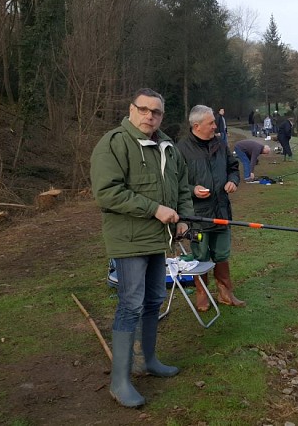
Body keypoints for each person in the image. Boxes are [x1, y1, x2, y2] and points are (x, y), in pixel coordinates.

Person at [90, 88, 193, 408]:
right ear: (131, 109)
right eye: (144, 109)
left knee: (154, 300)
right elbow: (107, 193)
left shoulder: (168, 147)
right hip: (128, 240)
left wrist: (182, 218)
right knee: (130, 304)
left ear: (163, 116)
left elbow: (182, 186)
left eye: (156, 112)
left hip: (159, 239)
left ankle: (147, 360)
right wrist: (154, 209)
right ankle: (119, 382)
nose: (150, 116)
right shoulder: (113, 143)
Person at [177, 105, 246, 311]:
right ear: (197, 126)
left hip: (222, 211)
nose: (216, 127)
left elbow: (233, 168)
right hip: (197, 216)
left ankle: (225, 293)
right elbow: (173, 181)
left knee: (222, 253)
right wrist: (192, 190)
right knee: (200, 256)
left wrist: (233, 181)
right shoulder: (180, 149)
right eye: (211, 123)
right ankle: (202, 294)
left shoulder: (220, 145)